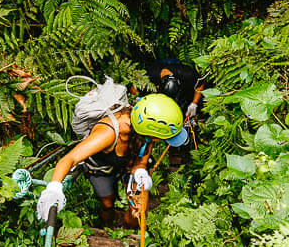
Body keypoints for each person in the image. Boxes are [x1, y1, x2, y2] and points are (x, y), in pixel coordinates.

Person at [35, 94, 185, 223]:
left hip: (129, 163)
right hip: (101, 167)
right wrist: (54, 188)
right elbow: (70, 158)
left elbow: (142, 159)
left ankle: (128, 234)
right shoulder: (108, 132)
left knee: (138, 210)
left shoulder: (145, 131)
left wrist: (140, 172)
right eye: (161, 138)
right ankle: (108, 224)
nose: (159, 141)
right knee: (107, 203)